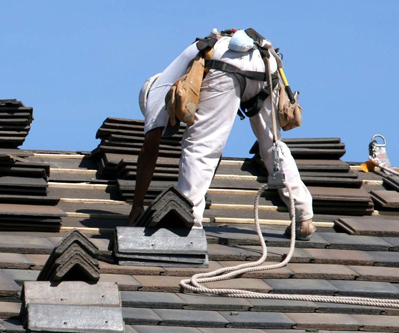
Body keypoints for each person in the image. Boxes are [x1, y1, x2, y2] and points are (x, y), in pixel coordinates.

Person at [127, 29, 316, 238]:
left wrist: (137, 205)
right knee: (272, 144)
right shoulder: (180, 69)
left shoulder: (156, 93)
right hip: (264, 60)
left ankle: (188, 219)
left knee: (201, 145)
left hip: (227, 66)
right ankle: (303, 216)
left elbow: (149, 151)